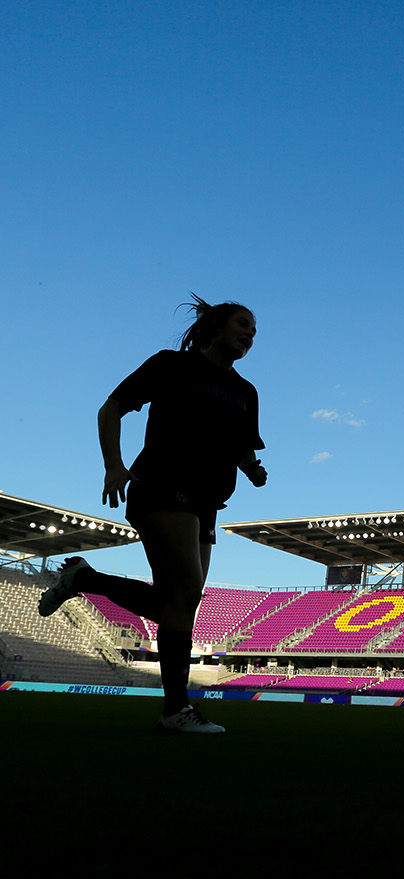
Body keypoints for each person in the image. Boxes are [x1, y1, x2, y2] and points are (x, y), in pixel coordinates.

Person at [38, 295, 267, 733]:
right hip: (160, 486)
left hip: (206, 501)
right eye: (243, 325)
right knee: (182, 595)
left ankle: (83, 580)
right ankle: (175, 711)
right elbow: (112, 408)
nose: (249, 335)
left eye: (255, 333)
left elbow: (239, 444)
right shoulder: (170, 365)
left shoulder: (245, 391)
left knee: (179, 603)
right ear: (216, 326)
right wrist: (113, 466)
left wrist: (252, 468)